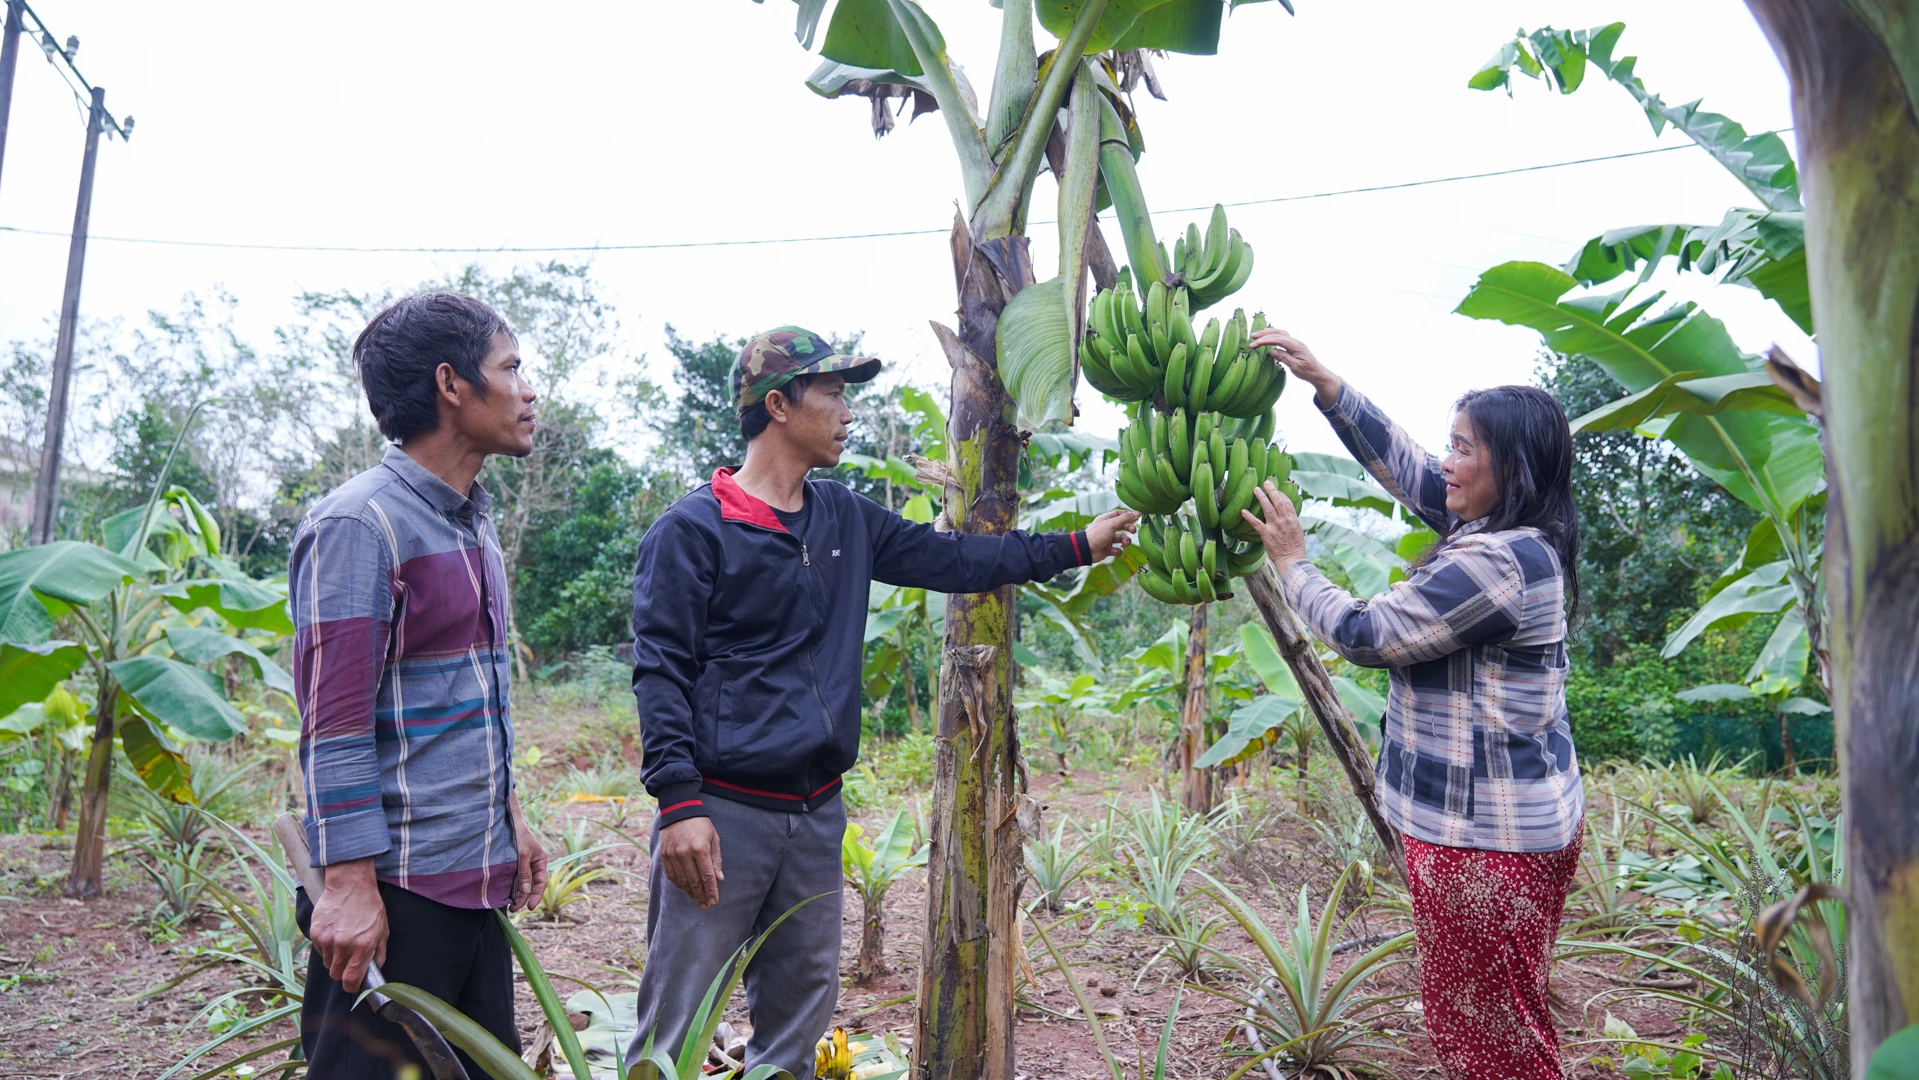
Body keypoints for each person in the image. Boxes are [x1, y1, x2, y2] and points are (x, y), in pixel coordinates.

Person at [627, 326, 1138, 1078]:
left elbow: (954, 559)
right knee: (676, 1018)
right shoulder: (693, 530)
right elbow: (660, 669)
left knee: (797, 1022)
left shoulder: (842, 517)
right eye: (831, 393)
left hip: (814, 810)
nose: (846, 411)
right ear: (778, 405)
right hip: (723, 812)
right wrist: (678, 804)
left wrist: (1072, 547)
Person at [1239, 327, 1584, 1080]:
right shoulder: (1514, 530)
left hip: (1483, 843)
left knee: (1492, 1040)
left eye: (1464, 449)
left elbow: (1364, 633)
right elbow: (1415, 475)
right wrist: (1327, 386)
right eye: (1450, 444)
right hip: (1512, 827)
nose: (1446, 464)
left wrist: (1293, 565)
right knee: (1498, 1017)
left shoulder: (1495, 563)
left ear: (1512, 467)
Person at [289, 292, 549, 1079]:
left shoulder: (472, 518)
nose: (528, 387)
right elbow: (333, 727)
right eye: (510, 367)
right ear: (451, 385)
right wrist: (348, 887)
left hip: (472, 877)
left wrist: (509, 818)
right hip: (396, 892)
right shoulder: (359, 527)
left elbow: (463, 698)